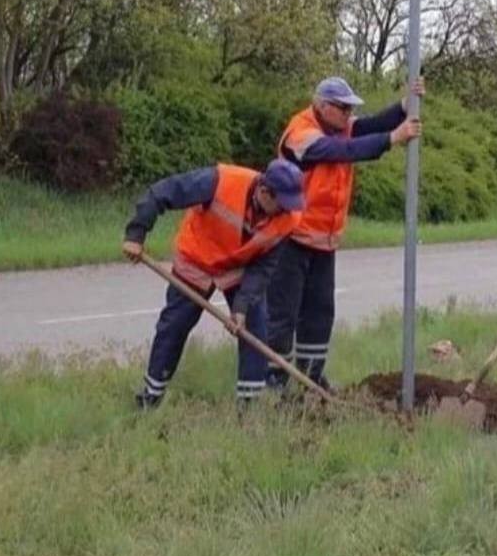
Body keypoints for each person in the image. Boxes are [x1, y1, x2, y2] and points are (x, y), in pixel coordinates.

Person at [265, 76, 422, 392]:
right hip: (290, 239)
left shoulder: (338, 126)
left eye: (351, 109)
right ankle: (275, 381)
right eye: (344, 109)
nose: (349, 116)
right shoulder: (302, 134)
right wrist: (393, 138)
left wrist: (406, 105)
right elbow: (344, 150)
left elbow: (370, 126)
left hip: (324, 241)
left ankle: (311, 377)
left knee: (320, 313)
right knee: (283, 315)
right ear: (323, 106)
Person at [122, 159, 305, 409]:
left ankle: (248, 407)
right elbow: (163, 191)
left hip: (238, 268)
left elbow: (262, 269)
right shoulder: (220, 181)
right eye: (281, 205)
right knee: (174, 326)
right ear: (264, 191)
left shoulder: (288, 219)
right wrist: (136, 233)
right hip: (197, 259)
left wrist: (240, 308)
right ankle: (151, 397)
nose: (286, 211)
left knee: (254, 329)